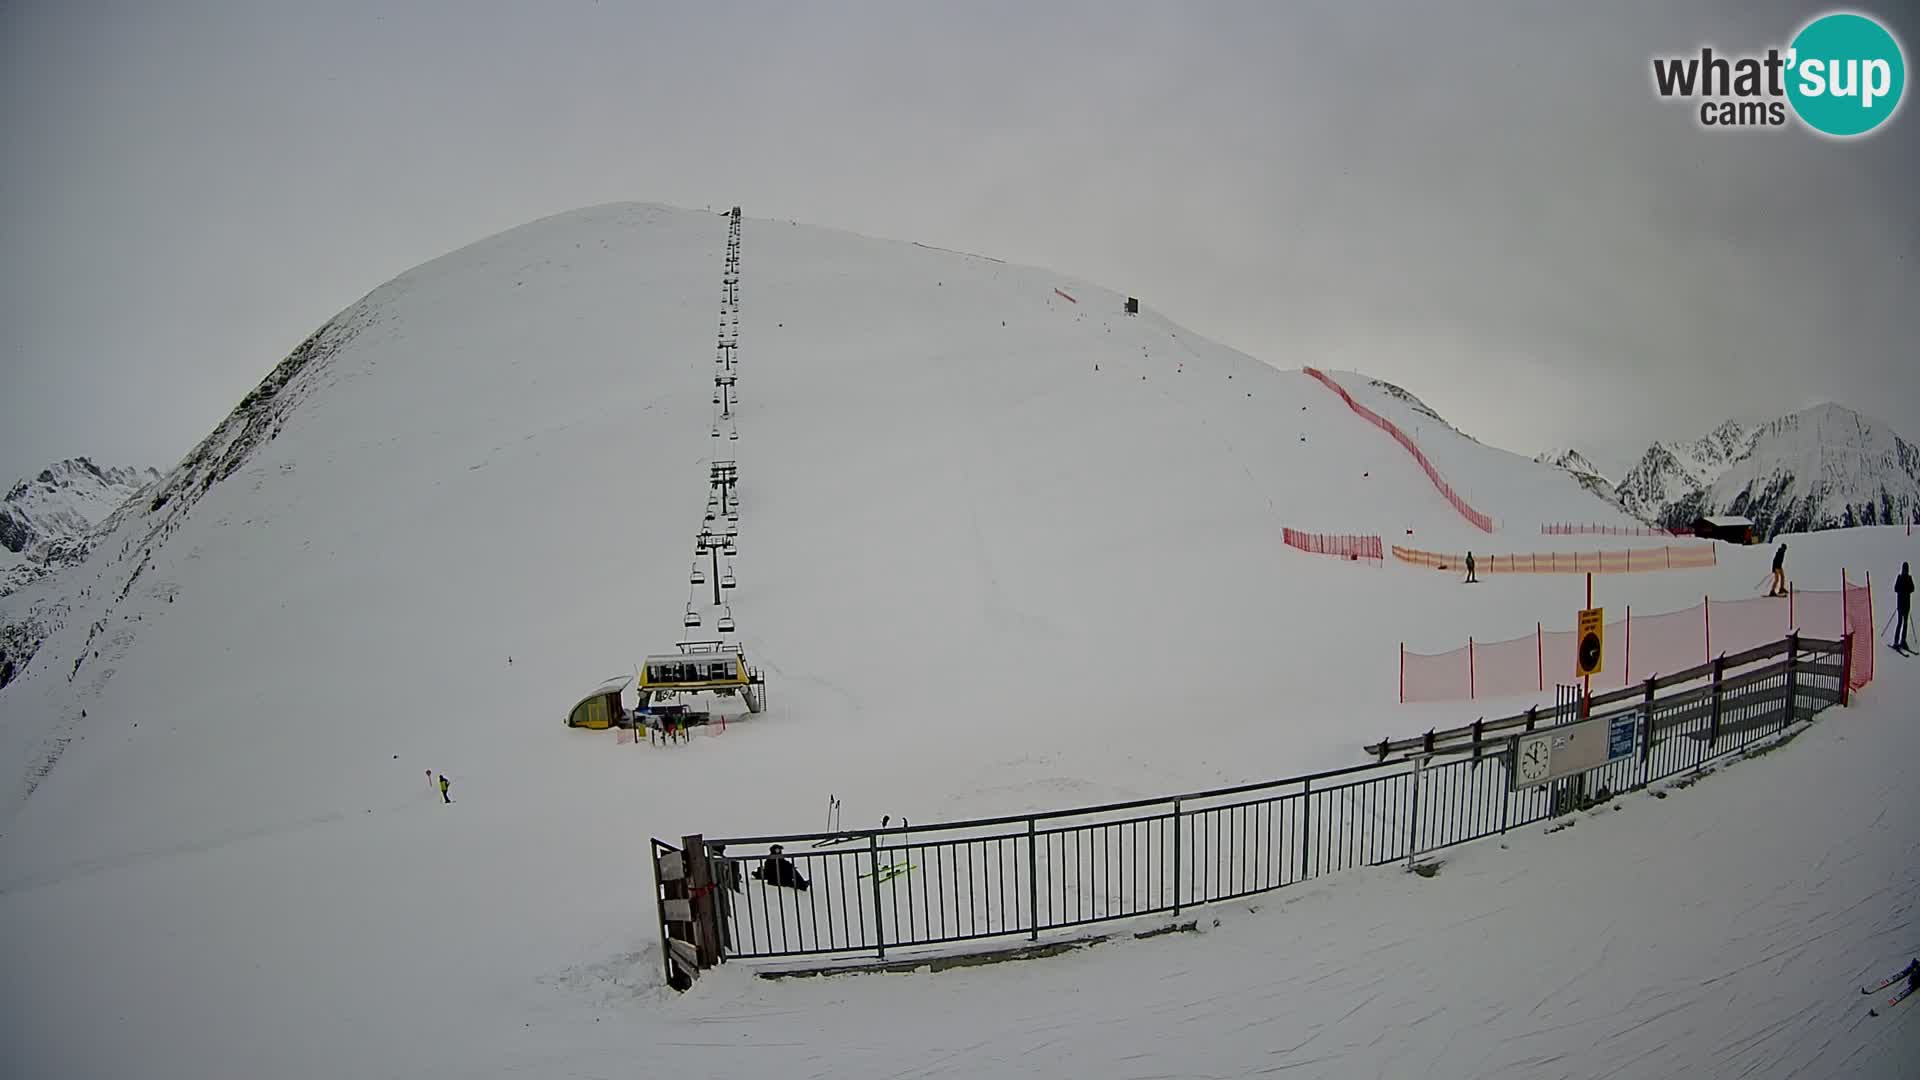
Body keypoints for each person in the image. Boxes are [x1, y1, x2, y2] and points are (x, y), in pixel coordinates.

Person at [1896, 562, 1914, 650]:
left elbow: (1912, 589)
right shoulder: (1904, 578)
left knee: (1902, 623)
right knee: (1902, 623)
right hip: (1904, 605)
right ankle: (1898, 641)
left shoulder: (1904, 578)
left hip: (1903, 605)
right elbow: (1896, 588)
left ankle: (1901, 641)